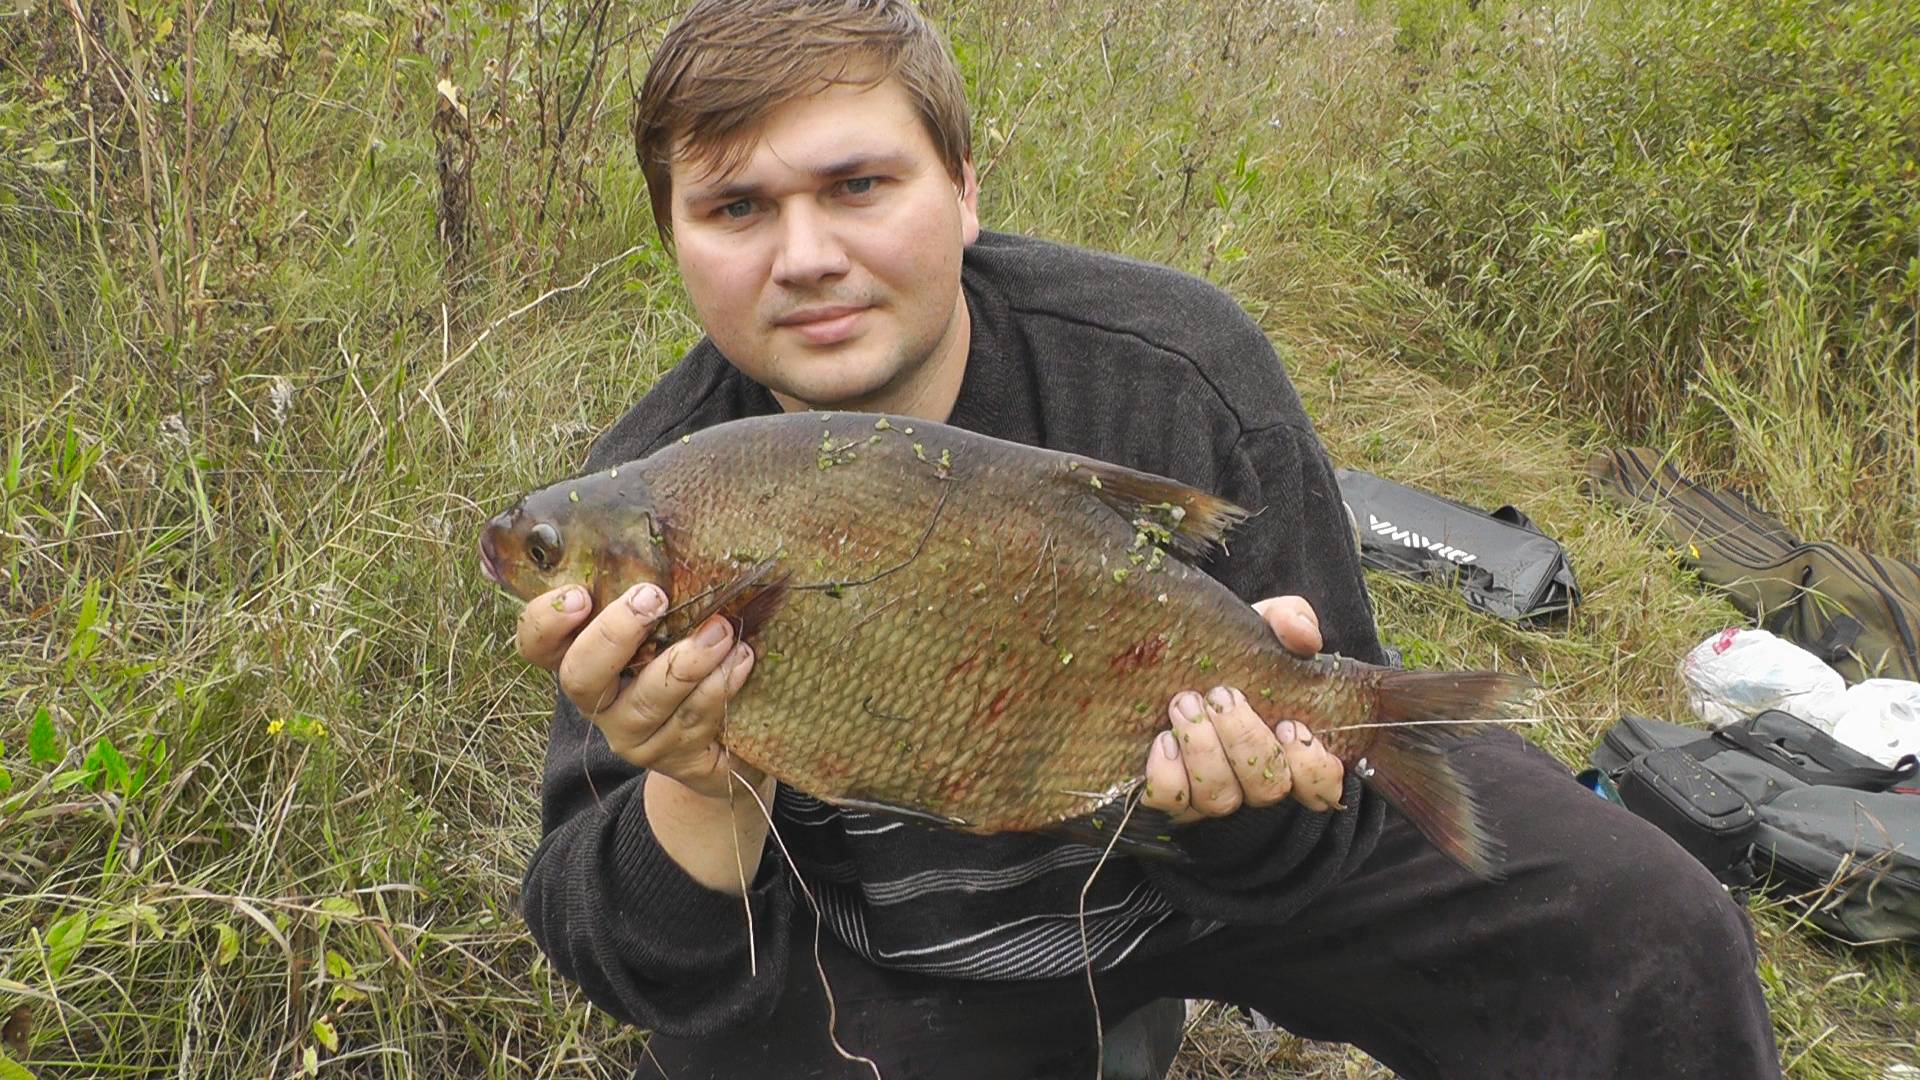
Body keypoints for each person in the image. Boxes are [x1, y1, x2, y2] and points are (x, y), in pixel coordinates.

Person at [511, 2, 1783, 1077]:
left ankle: (1145, 993)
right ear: (675, 240)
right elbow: (641, 963)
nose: (806, 256)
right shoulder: (659, 495)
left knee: (1654, 929)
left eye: (859, 185)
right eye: (735, 208)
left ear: (962, 189)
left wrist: (1243, 806)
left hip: (1209, 872)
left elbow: (1323, 802)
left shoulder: (1176, 367)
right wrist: (700, 779)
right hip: (902, 963)